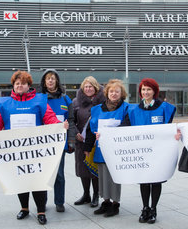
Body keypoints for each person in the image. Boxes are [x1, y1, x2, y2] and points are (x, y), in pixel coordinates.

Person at [0, 70, 64, 225]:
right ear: (13, 86)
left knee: (37, 179)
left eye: (23, 83)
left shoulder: (40, 100)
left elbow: (50, 118)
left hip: (37, 149)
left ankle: (41, 210)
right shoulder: (5, 103)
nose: (20, 86)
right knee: (20, 178)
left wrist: (60, 126)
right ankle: (24, 208)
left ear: (29, 85)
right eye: (17, 83)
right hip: (15, 151)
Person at [124, 78, 176, 224]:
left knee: (156, 180)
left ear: (154, 91)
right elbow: (123, 128)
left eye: (148, 89)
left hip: (158, 152)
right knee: (144, 181)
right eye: (143, 90)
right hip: (142, 152)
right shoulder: (133, 110)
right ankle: (145, 208)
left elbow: (169, 129)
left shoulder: (165, 108)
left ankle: (154, 209)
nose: (145, 92)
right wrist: (106, 135)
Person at [83, 79, 131, 217]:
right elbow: (92, 130)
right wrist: (87, 147)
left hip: (117, 149)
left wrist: (111, 134)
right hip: (101, 149)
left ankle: (115, 204)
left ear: (122, 93)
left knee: (114, 176)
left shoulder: (126, 108)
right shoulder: (97, 109)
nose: (114, 94)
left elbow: (127, 126)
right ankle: (106, 202)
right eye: (111, 91)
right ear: (106, 93)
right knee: (102, 176)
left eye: (117, 91)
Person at [39, 69, 74, 213]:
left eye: (53, 78)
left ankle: (59, 202)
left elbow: (71, 121)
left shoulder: (66, 99)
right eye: (48, 79)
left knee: (59, 174)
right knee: (44, 174)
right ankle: (42, 202)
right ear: (44, 82)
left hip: (60, 143)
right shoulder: (39, 98)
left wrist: (71, 140)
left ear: (57, 81)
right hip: (43, 143)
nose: (51, 81)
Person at [70, 76, 105, 208]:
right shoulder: (75, 102)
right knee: (82, 169)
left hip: (96, 142)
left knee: (94, 169)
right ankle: (86, 194)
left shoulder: (103, 102)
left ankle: (96, 194)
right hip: (81, 141)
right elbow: (71, 119)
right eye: (86, 87)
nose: (88, 89)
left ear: (95, 87)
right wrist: (76, 132)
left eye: (90, 86)